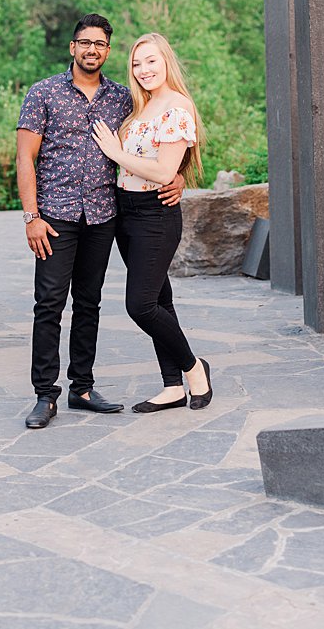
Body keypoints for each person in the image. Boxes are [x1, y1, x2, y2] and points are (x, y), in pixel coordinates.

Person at [16, 14, 183, 430]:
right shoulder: (43, 93)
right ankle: (45, 395)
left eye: (100, 44)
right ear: (73, 47)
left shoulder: (123, 98)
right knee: (49, 304)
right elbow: (25, 158)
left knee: (88, 302)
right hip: (55, 217)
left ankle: (83, 388)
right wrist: (32, 216)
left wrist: (178, 175)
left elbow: (158, 138)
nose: (92, 49)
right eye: (85, 42)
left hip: (103, 215)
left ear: (107, 51)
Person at [90, 32, 214, 414]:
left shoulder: (177, 107)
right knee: (161, 301)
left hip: (155, 214)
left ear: (166, 62)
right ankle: (172, 386)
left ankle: (194, 368)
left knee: (141, 305)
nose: (144, 69)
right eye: (136, 63)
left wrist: (115, 152)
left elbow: (163, 172)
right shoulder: (139, 107)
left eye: (151, 61)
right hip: (126, 212)